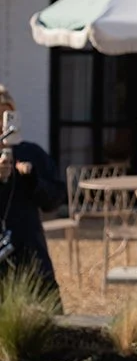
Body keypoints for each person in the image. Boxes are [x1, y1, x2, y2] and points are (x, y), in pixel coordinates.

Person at [0, 84, 66, 295]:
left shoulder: (31, 153)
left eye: (6, 115)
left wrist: (33, 180)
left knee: (48, 321)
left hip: (30, 253)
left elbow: (54, 200)